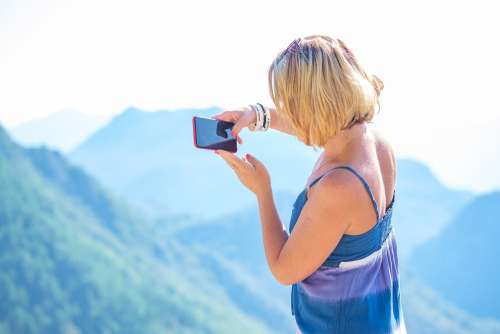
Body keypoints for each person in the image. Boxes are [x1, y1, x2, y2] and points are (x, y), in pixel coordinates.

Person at [212, 35, 406, 334]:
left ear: (312, 106)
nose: (286, 111)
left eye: (290, 104)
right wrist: (258, 115)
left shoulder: (338, 188)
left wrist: (262, 191)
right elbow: (318, 123)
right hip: (379, 320)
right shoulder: (373, 141)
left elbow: (284, 268)